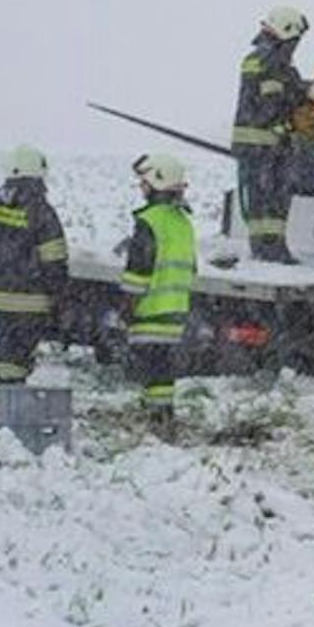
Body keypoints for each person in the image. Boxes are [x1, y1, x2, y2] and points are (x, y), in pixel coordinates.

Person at [0, 145, 69, 384]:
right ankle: (9, 403)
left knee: (6, 348)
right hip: (28, 302)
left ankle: (2, 393)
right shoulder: (41, 211)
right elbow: (54, 261)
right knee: (17, 356)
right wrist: (58, 296)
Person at [119, 153, 197, 433]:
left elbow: (138, 273)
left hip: (150, 311)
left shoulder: (149, 221)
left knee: (151, 368)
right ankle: (163, 415)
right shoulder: (182, 223)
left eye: (144, 182)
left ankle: (156, 421)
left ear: (156, 182)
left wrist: (126, 309)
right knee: (162, 369)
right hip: (175, 311)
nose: (142, 187)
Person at [231, 5, 311, 263]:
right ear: (287, 33)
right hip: (265, 144)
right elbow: (271, 105)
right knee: (270, 199)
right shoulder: (272, 62)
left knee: (263, 200)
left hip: (261, 146)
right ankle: (270, 251)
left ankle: (267, 249)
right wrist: (289, 124)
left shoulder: (267, 60)